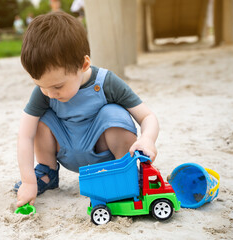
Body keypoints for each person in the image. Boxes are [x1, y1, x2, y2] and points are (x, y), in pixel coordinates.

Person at [14, 12, 159, 208]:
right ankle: (47, 173)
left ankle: (128, 174)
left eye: (57, 87)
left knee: (114, 114)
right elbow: (25, 135)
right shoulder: (45, 92)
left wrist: (147, 139)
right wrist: (28, 181)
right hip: (66, 148)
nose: (50, 93)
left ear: (84, 65)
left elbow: (147, 116)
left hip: (103, 153)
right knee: (38, 119)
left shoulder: (106, 82)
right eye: (41, 86)